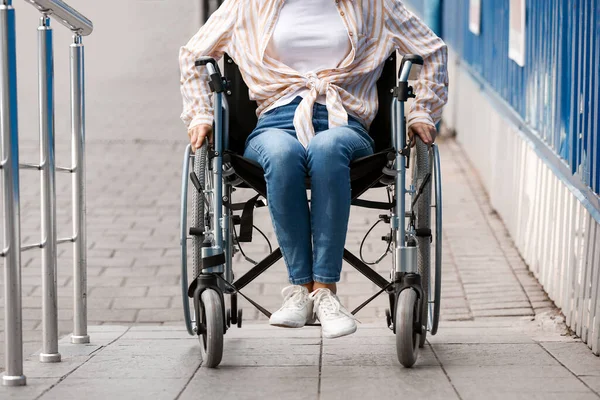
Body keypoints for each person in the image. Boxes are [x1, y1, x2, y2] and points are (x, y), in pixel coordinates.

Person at [179, 0, 448, 338]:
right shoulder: (247, 5)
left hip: (345, 123)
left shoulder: (373, 5)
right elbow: (193, 55)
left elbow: (433, 51)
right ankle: (299, 292)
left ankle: (325, 292)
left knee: (326, 148)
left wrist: (422, 111)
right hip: (274, 124)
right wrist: (201, 113)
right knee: (280, 154)